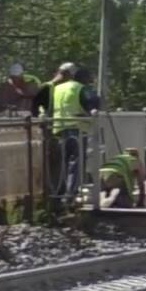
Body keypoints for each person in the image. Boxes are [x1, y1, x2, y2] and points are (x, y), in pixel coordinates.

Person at [48, 63, 88, 203]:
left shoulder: (55, 88)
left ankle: (58, 194)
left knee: (62, 162)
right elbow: (90, 105)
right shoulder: (79, 88)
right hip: (76, 128)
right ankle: (70, 194)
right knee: (75, 162)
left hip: (58, 129)